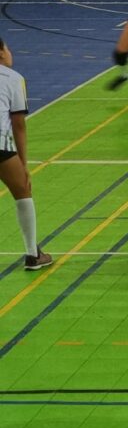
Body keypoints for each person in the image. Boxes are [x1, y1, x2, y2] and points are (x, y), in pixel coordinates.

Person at [0, 38, 52, 271]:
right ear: (1, 53)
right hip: (1, 146)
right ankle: (32, 255)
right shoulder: (13, 78)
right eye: (8, 48)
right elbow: (19, 125)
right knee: (23, 191)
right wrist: (24, 164)